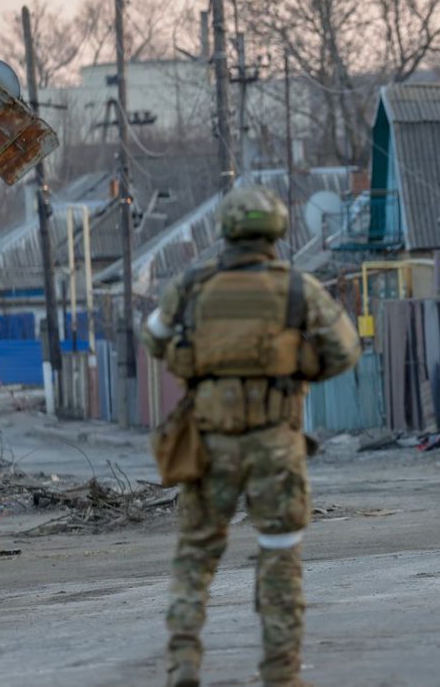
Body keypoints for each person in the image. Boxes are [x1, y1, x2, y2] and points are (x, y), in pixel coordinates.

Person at [140, 185, 361, 687]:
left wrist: (196, 358)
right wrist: (300, 365)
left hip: (208, 443)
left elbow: (152, 335)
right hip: (274, 444)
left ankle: (184, 664)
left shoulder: (192, 284)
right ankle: (281, 674)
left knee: (195, 555)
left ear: (225, 229)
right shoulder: (298, 288)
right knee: (280, 556)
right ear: (278, 231)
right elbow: (345, 350)